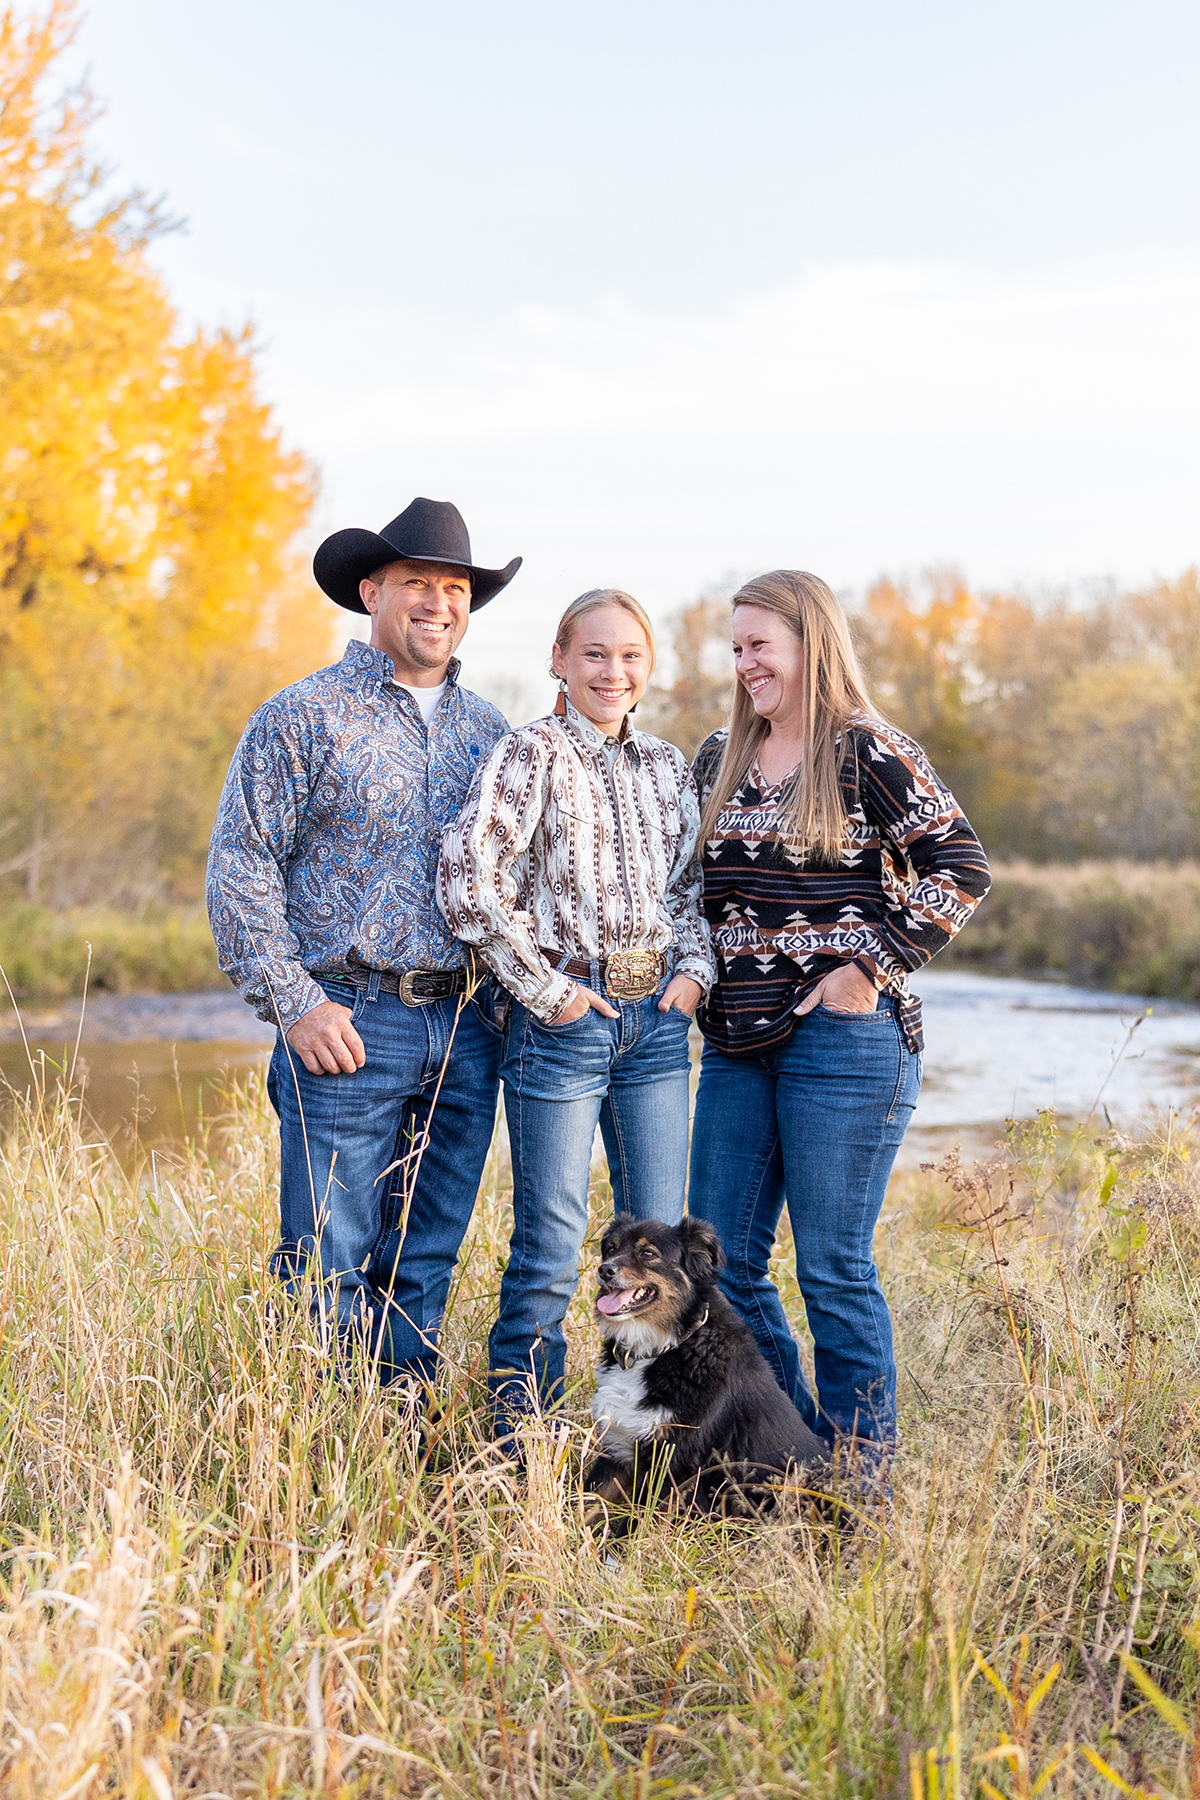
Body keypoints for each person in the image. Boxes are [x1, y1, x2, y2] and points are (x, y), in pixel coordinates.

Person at [206, 497, 521, 1384]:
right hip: (347, 1021)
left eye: (454, 587)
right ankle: (321, 1455)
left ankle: (398, 1445)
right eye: (416, 583)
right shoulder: (300, 716)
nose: (437, 602)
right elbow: (239, 871)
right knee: (325, 1262)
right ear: (371, 591)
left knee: (422, 1259)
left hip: (466, 1030)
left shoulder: (492, 734)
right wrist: (296, 1004)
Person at [687, 570, 990, 1458]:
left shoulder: (867, 750)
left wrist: (871, 968)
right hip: (739, 1046)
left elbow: (961, 867)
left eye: (759, 646)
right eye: (736, 648)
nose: (744, 664)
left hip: (845, 1046)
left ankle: (866, 1472)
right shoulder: (721, 756)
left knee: (831, 1269)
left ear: (809, 644)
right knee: (721, 1267)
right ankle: (806, 1451)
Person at [437, 589, 716, 1423]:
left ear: (649, 668)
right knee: (552, 1253)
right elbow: (467, 880)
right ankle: (517, 1446)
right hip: (563, 1024)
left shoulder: (667, 767)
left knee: (660, 1252)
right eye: (594, 654)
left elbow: (694, 890)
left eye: (629, 656)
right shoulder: (531, 753)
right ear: (558, 659)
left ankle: (648, 1439)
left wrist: (694, 972)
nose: (612, 671)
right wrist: (550, 992)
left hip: (658, 1029)